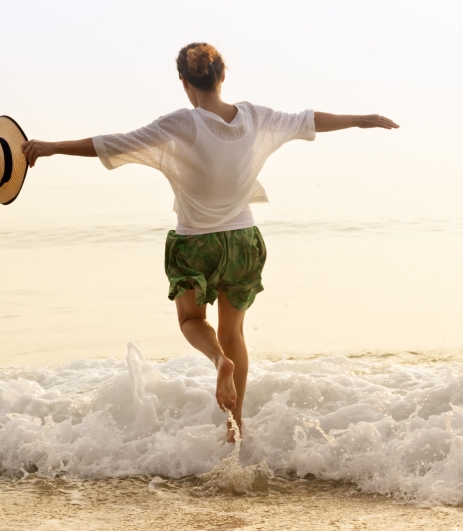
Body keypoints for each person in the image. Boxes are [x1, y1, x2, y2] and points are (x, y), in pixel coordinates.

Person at [21, 42, 398, 442]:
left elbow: (113, 143)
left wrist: (50, 147)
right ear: (223, 76)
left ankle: (219, 360)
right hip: (242, 241)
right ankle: (235, 427)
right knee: (234, 332)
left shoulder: (180, 123)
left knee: (192, 322)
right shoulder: (255, 117)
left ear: (184, 82)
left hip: (195, 244)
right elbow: (309, 120)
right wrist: (362, 119)